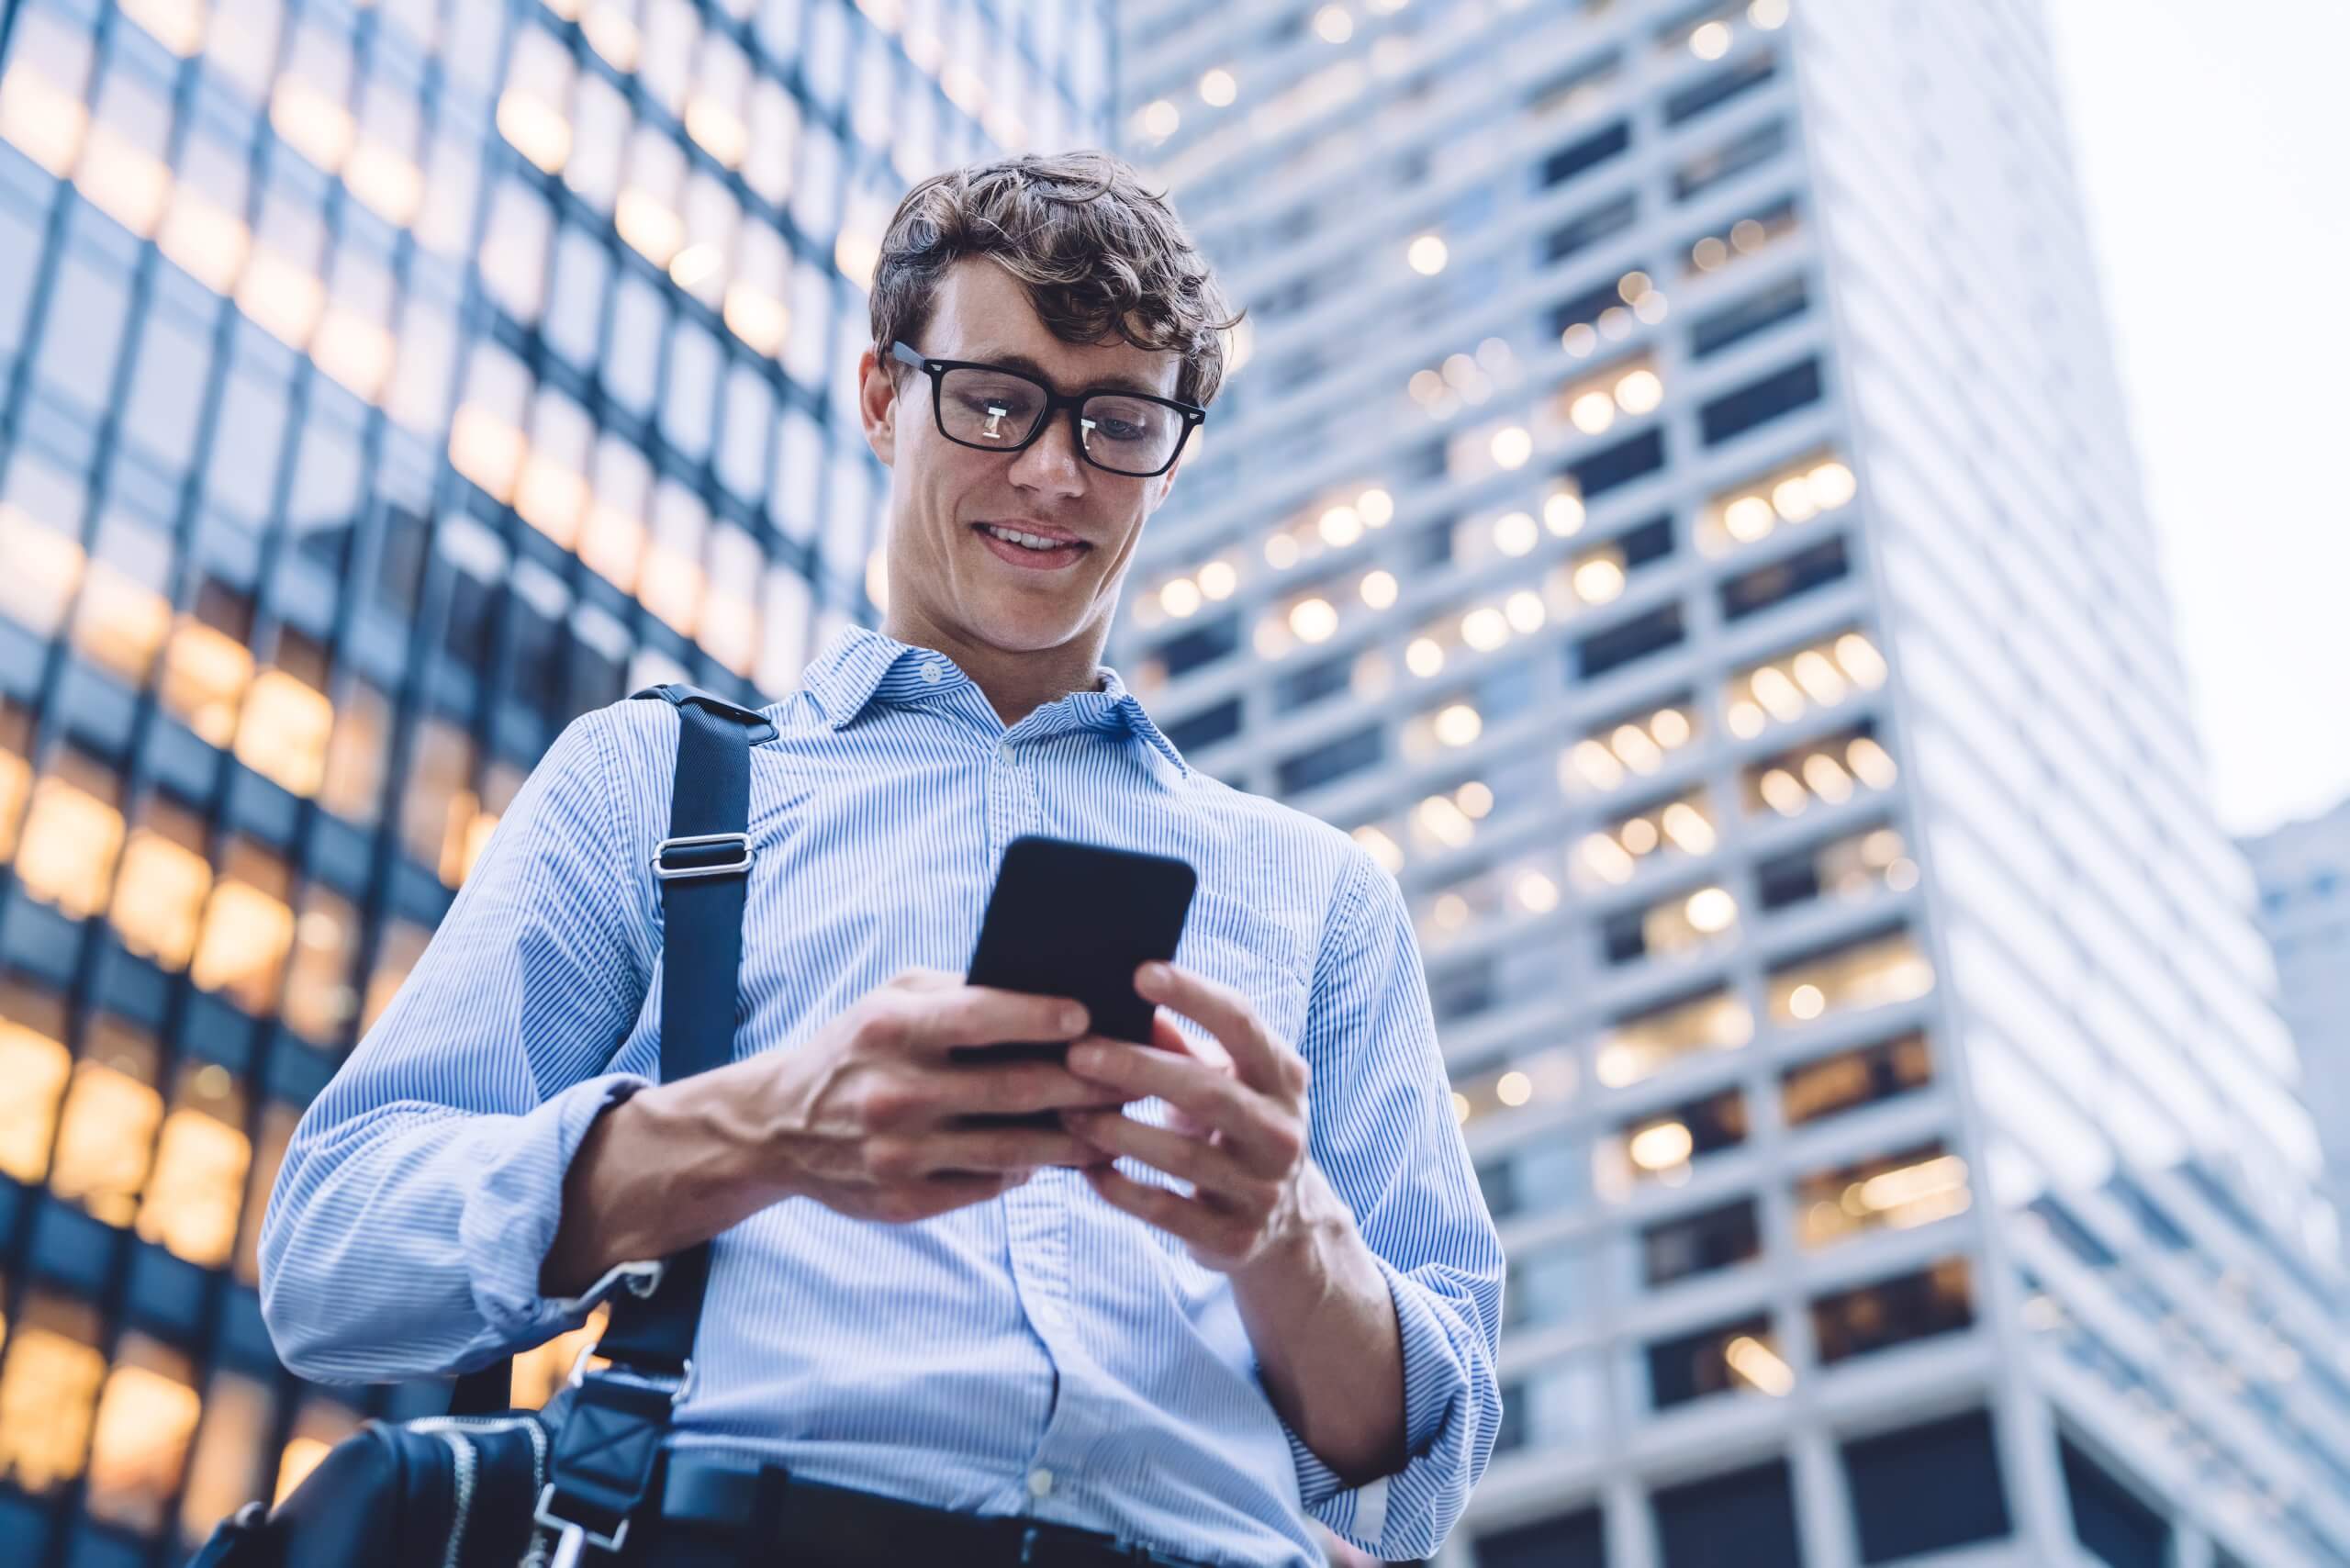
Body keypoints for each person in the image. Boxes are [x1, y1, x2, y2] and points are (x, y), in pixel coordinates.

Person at [259, 150, 1502, 1568]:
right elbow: (333, 1265)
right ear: (880, 397)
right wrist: (760, 1131)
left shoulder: (1324, 892)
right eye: (994, 401)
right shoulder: (655, 782)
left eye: (1118, 421)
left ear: (1175, 451)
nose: (1052, 470)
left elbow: (1417, 1479)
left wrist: (1288, 1235)